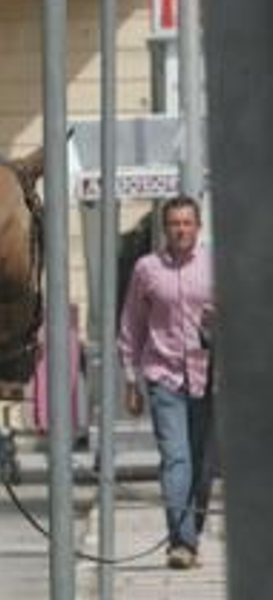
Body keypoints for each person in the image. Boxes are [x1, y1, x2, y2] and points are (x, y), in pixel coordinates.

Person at [118, 194, 215, 570]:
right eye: (174, 223)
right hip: (164, 376)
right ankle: (182, 543)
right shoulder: (147, 269)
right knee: (177, 460)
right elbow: (131, 326)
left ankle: (190, 533)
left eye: (187, 223)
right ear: (165, 228)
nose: (181, 229)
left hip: (209, 377)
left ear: (198, 227)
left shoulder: (214, 265)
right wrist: (130, 380)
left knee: (203, 467)